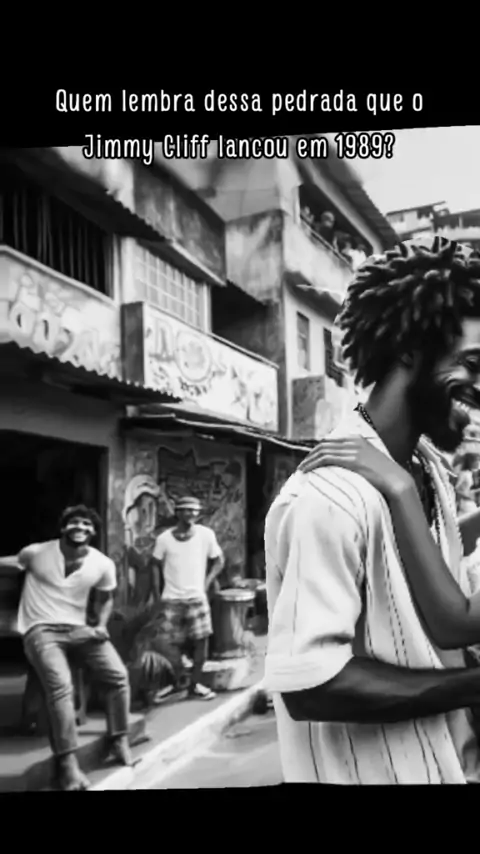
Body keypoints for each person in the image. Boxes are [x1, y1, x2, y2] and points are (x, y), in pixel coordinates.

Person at [264, 235, 480, 785]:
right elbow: (311, 686)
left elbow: (432, 584)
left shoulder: (428, 470)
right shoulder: (328, 497)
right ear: (409, 348)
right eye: (473, 364)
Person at [0, 505, 131, 791]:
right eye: (74, 522)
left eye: (86, 524)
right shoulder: (36, 553)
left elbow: (106, 598)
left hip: (79, 630)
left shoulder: (102, 563)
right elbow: (10, 564)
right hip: (41, 630)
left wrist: (101, 625)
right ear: (63, 528)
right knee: (61, 687)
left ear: (93, 532)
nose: (80, 527)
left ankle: (119, 737)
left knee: (118, 676)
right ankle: (68, 764)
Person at [151, 496, 224, 702]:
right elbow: (154, 565)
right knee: (165, 643)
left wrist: (207, 583)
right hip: (171, 600)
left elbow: (218, 560)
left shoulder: (206, 535)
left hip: (197, 598)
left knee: (201, 643)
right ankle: (179, 680)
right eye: (186, 509)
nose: (191, 513)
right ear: (177, 512)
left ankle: (195, 685)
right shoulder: (164, 539)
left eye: (194, 510)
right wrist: (157, 595)